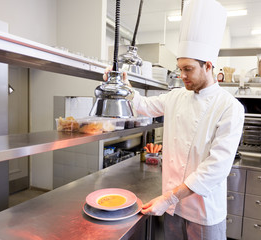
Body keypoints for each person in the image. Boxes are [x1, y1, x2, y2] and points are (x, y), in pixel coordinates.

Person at [104, 0, 244, 239]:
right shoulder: (177, 96)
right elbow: (143, 105)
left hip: (203, 212)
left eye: (188, 69)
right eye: (180, 69)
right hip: (173, 208)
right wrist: (123, 85)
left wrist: (167, 197)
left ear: (208, 66)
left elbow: (215, 169)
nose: (182, 76)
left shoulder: (229, 107)